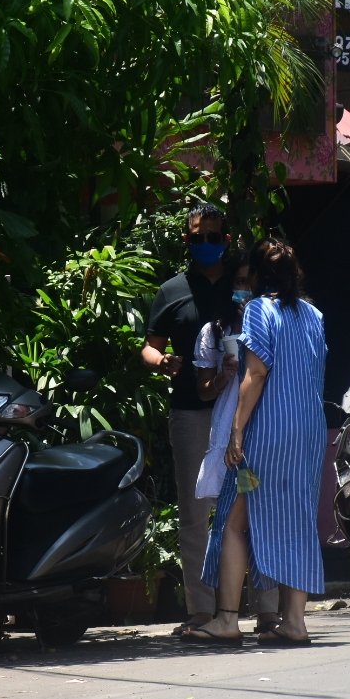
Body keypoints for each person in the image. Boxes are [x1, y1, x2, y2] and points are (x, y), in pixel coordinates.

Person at [183, 238, 327, 647]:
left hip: (269, 434)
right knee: (297, 519)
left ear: (261, 276)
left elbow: (256, 374)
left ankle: (227, 621)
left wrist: (237, 430)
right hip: (309, 434)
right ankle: (295, 622)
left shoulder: (259, 310)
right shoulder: (314, 315)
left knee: (233, 521)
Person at [143, 203, 232, 633]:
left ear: (226, 240)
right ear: (187, 240)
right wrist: (162, 362)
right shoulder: (172, 290)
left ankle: (266, 609)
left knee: (249, 507)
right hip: (190, 413)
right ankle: (201, 610)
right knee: (195, 514)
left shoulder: (243, 284)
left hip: (242, 412)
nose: (205, 244)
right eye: (198, 237)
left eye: (213, 237)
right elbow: (149, 346)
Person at [190, 255, 280, 634]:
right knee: (236, 522)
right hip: (232, 436)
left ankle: (264, 613)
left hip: (265, 431)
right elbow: (203, 391)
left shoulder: (273, 323)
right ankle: (232, 613)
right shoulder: (215, 332)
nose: (244, 289)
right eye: (238, 282)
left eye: (250, 281)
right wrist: (223, 377)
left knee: (258, 521)